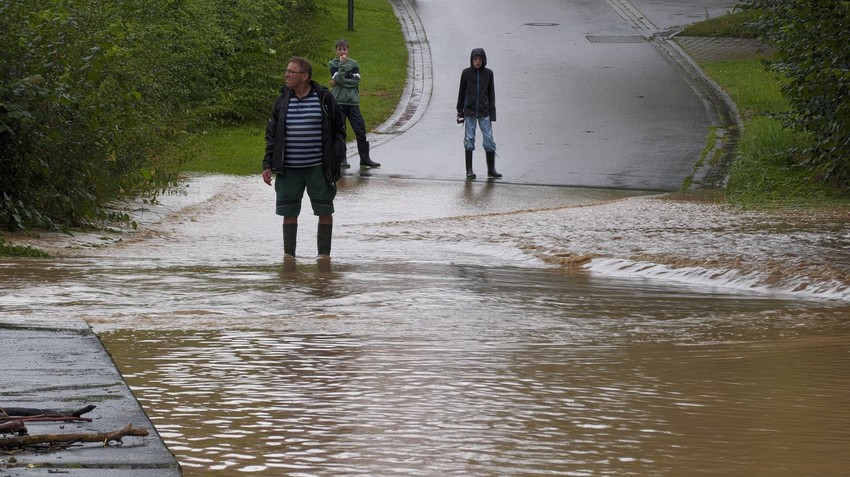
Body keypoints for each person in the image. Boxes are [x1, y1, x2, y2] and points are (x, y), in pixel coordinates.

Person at [263, 56, 347, 267]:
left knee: (324, 211)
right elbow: (271, 134)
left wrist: (336, 160)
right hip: (288, 169)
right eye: (287, 70)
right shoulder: (282, 100)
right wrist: (267, 164)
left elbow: (339, 130)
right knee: (288, 213)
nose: (287, 74)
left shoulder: (324, 98)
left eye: (292, 71)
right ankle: (289, 259)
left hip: (318, 168)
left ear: (305, 76)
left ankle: (323, 258)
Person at [329, 38, 381, 169]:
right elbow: (338, 77)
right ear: (336, 50)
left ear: (348, 50)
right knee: (340, 130)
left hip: (353, 102)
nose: (342, 52)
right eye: (339, 49)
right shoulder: (332, 63)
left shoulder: (354, 63)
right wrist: (342, 68)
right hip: (339, 101)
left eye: (344, 49)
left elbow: (355, 81)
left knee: (360, 129)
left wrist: (339, 81)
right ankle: (342, 159)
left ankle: (365, 158)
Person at [457, 47, 501, 179]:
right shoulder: (466, 73)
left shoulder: (489, 74)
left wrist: (492, 113)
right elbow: (462, 92)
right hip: (469, 111)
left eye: (479, 59)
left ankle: (491, 169)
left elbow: (491, 94)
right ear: (471, 60)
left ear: (483, 60)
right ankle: (469, 169)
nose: (477, 62)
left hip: (484, 111)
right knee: (469, 138)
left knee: (489, 139)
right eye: (475, 59)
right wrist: (460, 111)